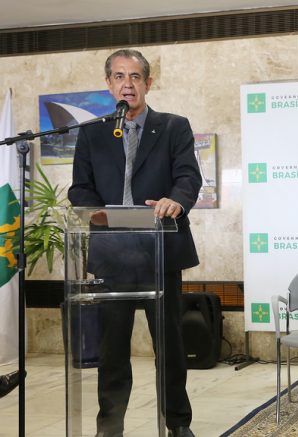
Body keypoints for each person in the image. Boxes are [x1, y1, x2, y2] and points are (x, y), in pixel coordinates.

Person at [68, 49, 201, 437]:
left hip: (160, 251)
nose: (127, 84)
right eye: (119, 76)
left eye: (135, 76)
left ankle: (178, 424)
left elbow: (188, 177)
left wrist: (176, 200)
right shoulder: (92, 133)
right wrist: (92, 211)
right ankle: (110, 427)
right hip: (113, 255)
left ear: (148, 83)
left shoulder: (173, 126)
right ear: (109, 84)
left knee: (170, 348)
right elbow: (80, 187)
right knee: (111, 351)